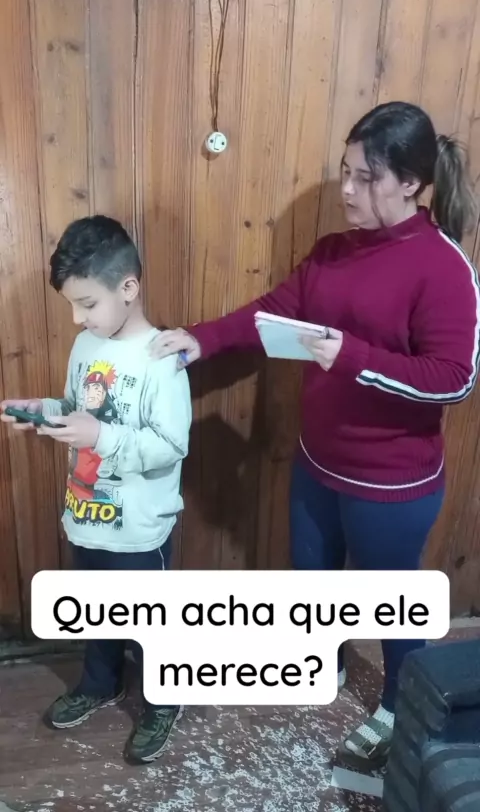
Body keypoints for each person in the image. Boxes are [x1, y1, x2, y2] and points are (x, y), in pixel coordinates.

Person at [148, 101, 480, 770]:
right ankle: (324, 663)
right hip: (317, 463)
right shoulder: (334, 250)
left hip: (392, 484)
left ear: (411, 183)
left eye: (366, 178)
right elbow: (277, 310)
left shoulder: (443, 267)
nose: (347, 190)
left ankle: (399, 705)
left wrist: (351, 356)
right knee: (314, 579)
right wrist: (202, 339)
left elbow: (454, 378)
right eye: (344, 172)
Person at [1, 216, 192, 765]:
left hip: (139, 528)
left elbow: (170, 444)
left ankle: (164, 699)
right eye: (72, 306)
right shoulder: (87, 343)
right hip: (86, 514)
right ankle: (100, 683)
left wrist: (101, 437)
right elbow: (77, 409)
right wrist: (44, 412)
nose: (78, 318)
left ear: (128, 287)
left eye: (87, 303)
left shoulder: (162, 358)